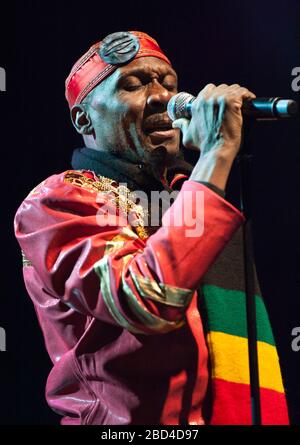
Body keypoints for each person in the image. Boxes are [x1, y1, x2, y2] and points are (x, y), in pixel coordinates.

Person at [14, 31, 289, 425]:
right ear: (83, 117)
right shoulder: (57, 202)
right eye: (134, 84)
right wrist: (214, 155)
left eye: (170, 83)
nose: (163, 96)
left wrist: (201, 165)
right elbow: (146, 299)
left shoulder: (186, 194)